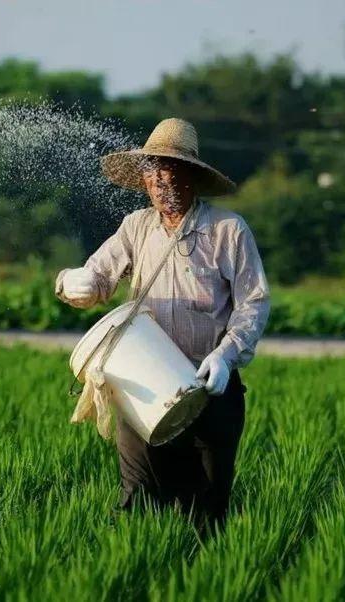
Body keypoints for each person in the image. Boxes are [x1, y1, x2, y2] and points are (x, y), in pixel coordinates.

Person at [54, 117, 270, 532]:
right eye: (152, 171)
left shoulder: (227, 230)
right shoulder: (136, 227)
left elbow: (253, 304)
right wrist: (70, 282)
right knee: (136, 503)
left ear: (191, 176)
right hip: (144, 388)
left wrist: (226, 355)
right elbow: (97, 278)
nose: (159, 181)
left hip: (210, 387)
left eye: (168, 169)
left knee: (205, 514)